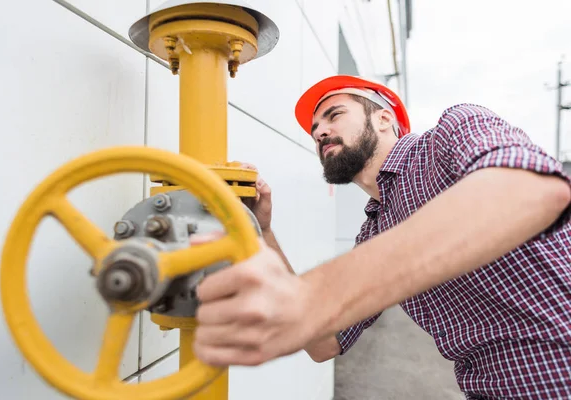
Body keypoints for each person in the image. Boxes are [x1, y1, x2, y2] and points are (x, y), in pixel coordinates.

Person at [190, 75, 571, 399]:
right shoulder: (375, 230)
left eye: (334, 114)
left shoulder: (451, 134)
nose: (320, 131)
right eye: (314, 129)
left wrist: (310, 296)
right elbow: (324, 343)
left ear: (384, 118)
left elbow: (529, 190)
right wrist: (263, 232)